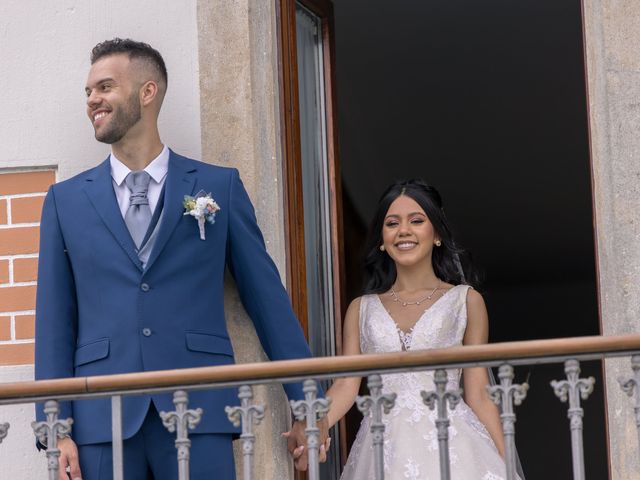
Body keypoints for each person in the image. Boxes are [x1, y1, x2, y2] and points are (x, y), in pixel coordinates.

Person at [35, 38, 323, 480]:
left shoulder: (217, 187)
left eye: (106, 87)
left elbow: (268, 301)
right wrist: (56, 430)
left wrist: (307, 404)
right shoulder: (65, 201)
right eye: (89, 91)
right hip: (101, 422)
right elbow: (54, 320)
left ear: (147, 92)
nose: (93, 99)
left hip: (201, 410)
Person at [323, 179, 517, 479]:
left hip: (451, 442)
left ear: (436, 233)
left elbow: (478, 393)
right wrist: (315, 424)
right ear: (381, 239)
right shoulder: (361, 309)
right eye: (392, 223)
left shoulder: (465, 301)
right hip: (381, 447)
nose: (404, 231)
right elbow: (347, 385)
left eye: (417, 221)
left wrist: (508, 466)